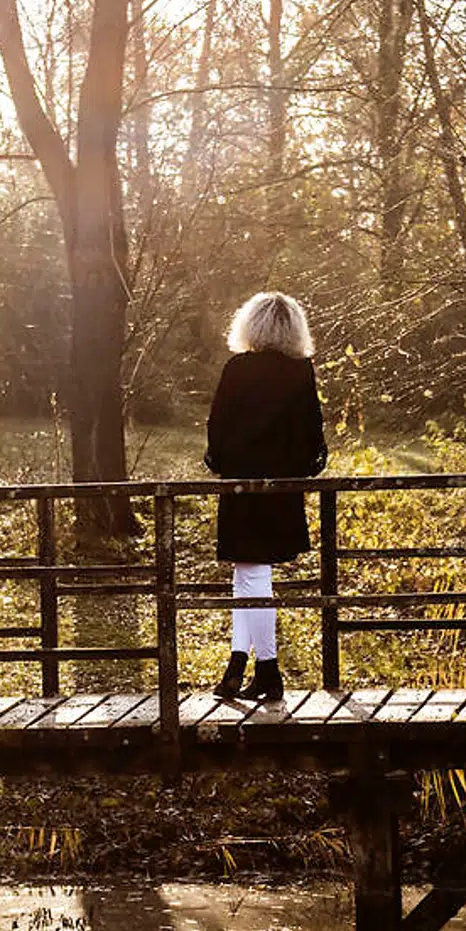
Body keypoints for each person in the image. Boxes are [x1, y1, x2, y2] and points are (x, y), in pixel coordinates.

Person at [204, 291, 326, 705]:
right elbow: (314, 442)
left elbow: (216, 432)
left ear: (250, 324)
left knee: (251, 575)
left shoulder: (238, 369)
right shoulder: (301, 371)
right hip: (282, 489)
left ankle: (268, 671)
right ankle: (239, 665)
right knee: (249, 575)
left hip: (242, 487)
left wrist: (225, 463)